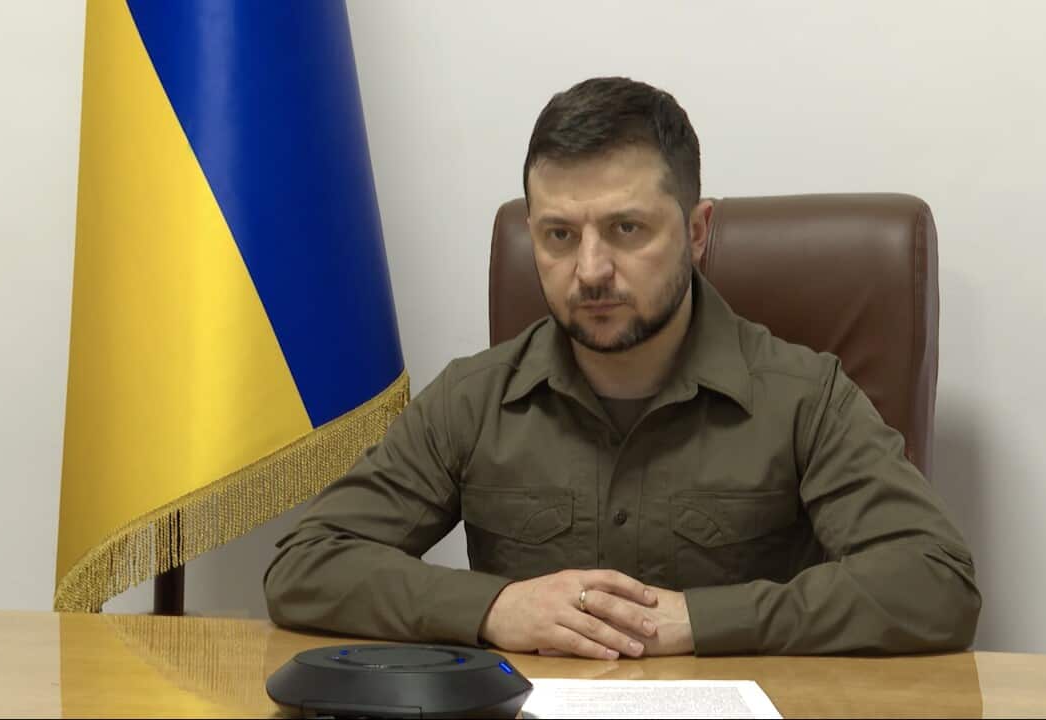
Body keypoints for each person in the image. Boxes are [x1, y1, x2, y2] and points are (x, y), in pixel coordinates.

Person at [264, 77, 980, 658]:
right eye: (558, 235)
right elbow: (306, 564)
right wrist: (495, 607)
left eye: (626, 229)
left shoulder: (804, 397)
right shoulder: (473, 399)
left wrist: (701, 620)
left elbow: (935, 583)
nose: (590, 270)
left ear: (696, 232)